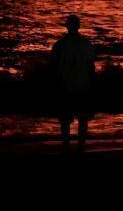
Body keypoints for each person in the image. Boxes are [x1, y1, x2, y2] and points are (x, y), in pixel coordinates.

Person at [51, 14, 96, 150]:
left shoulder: (59, 45)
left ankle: (66, 146)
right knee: (82, 118)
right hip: (83, 86)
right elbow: (91, 67)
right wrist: (92, 85)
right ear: (79, 27)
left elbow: (54, 67)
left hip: (65, 86)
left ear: (67, 27)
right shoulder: (86, 44)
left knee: (65, 120)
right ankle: (81, 146)